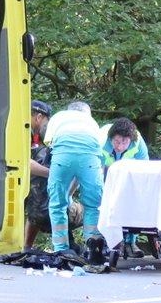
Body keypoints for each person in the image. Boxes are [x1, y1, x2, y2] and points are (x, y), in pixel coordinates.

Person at [45, 101, 104, 256]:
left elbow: (49, 145)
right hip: (90, 159)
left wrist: (67, 192)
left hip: (62, 156)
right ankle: (93, 246)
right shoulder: (92, 123)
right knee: (94, 205)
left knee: (57, 204)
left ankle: (61, 249)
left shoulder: (58, 117)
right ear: (87, 114)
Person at [23, 100, 53, 251]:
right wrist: (52, 173)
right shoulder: (23, 129)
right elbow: (22, 162)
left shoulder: (35, 136)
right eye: (47, 122)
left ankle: (26, 246)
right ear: (39, 117)